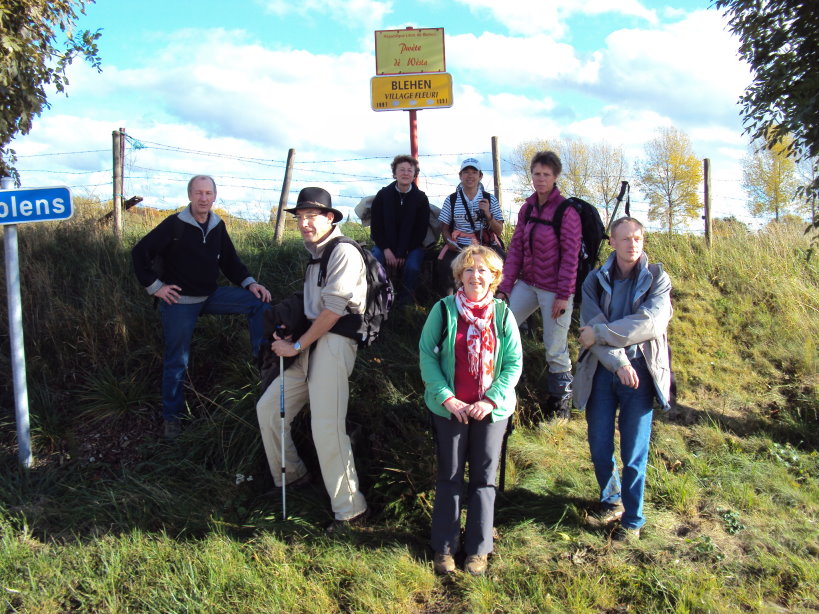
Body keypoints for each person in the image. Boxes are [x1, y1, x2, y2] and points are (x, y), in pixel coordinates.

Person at [255, 187, 369, 533]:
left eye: (311, 216)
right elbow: (314, 309)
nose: (304, 223)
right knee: (269, 409)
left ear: (330, 217)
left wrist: (297, 345)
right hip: (309, 343)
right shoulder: (316, 255)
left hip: (334, 345)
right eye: (300, 217)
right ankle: (293, 476)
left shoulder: (344, 252)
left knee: (326, 427)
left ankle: (351, 511)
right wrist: (293, 338)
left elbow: (335, 310)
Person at [132, 175, 271, 440]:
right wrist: (156, 287)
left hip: (210, 295)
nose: (203, 198)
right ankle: (172, 418)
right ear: (190, 196)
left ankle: (263, 363)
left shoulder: (218, 225)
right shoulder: (175, 225)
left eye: (208, 193)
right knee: (177, 361)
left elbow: (230, 261)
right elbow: (140, 253)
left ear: (214, 196)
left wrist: (250, 282)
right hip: (180, 302)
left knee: (258, 301)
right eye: (198, 193)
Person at [419, 245, 522, 576]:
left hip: (491, 412)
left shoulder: (503, 315)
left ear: (494, 277)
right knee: (449, 477)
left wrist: (489, 400)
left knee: (483, 480)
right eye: (469, 269)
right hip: (450, 409)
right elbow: (426, 355)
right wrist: (448, 398)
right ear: (458, 275)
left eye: (483, 271)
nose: (475, 276)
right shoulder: (444, 310)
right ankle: (445, 549)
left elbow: (514, 363)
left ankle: (478, 550)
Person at [574, 216, 672, 541]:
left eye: (638, 238)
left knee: (634, 452)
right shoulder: (593, 280)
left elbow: (650, 324)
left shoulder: (658, 278)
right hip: (605, 371)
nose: (632, 244)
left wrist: (602, 332)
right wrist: (617, 363)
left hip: (641, 373)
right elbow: (589, 326)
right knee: (599, 445)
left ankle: (632, 520)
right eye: (626, 238)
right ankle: (611, 498)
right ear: (612, 242)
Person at [496, 151, 580, 420]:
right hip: (528, 284)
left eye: (546, 174)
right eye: (536, 174)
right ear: (531, 176)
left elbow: (570, 256)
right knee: (500, 327)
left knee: (554, 347)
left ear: (555, 177)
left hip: (555, 290)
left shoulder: (567, 212)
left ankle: (561, 405)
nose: (540, 179)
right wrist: (505, 287)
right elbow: (516, 251)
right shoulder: (527, 209)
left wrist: (563, 295)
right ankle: (498, 387)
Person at [436, 158, 504, 295]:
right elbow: (444, 228)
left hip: (485, 244)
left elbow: (499, 230)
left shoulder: (490, 199)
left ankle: (498, 300)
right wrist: (449, 242)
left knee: (504, 264)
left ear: (480, 176)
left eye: (474, 172)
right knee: (445, 267)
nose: (470, 176)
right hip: (459, 245)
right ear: (460, 176)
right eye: (466, 172)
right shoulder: (452, 199)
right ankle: (450, 304)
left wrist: (488, 214)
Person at [370, 155, 430, 308]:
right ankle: (377, 300)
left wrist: (404, 252)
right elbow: (376, 227)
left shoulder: (420, 198)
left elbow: (420, 231)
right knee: (374, 264)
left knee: (412, 267)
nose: (405, 173)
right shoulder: (383, 195)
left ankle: (405, 304)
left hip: (412, 246)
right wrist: (386, 250)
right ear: (394, 173)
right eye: (401, 170)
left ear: (414, 174)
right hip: (385, 245)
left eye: (410, 170)